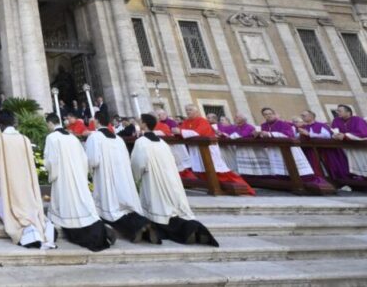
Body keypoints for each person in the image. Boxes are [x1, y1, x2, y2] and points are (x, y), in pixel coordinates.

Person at [131, 114, 218, 246]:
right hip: (170, 180)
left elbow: (138, 164)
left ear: (143, 124)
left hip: (153, 181)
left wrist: (136, 178)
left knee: (161, 212)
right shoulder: (162, 143)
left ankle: (189, 231)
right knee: (172, 210)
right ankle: (195, 229)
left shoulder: (141, 142)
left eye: (140, 122)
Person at [44, 113, 114, 251]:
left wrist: (52, 175)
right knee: (82, 204)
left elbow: (51, 161)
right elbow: (84, 158)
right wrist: (81, 176)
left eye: (47, 124)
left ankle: (87, 235)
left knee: (66, 208)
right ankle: (99, 231)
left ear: (50, 123)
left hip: (62, 179)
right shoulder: (72, 137)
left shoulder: (51, 138)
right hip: (77, 177)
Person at [85, 113, 159, 243]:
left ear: (96, 121)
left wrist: (88, 170)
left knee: (112, 209)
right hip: (123, 177)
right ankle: (144, 223)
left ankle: (137, 228)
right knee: (126, 207)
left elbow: (93, 160)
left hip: (106, 177)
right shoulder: (118, 138)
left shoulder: (94, 137)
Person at [0, 111, 55, 249]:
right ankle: (34, 227)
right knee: (26, 202)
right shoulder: (24, 139)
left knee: (10, 205)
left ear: (0, 124)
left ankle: (27, 232)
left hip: (8, 179)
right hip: (25, 179)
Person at [252, 108, 334, 192]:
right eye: (265, 114)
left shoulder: (283, 124)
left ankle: (296, 182)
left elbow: (288, 135)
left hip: (286, 150)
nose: (268, 115)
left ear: (274, 114)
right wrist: (257, 135)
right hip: (272, 150)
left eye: (270, 113)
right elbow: (261, 137)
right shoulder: (263, 125)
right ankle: (281, 181)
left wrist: (270, 134)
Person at [179, 104, 254, 195]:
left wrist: (180, 132)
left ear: (197, 111)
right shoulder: (186, 122)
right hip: (196, 149)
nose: (188, 112)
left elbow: (197, 132)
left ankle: (243, 188)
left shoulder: (202, 121)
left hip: (208, 149)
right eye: (186, 110)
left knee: (217, 170)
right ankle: (212, 185)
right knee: (203, 171)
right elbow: (181, 132)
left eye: (190, 110)